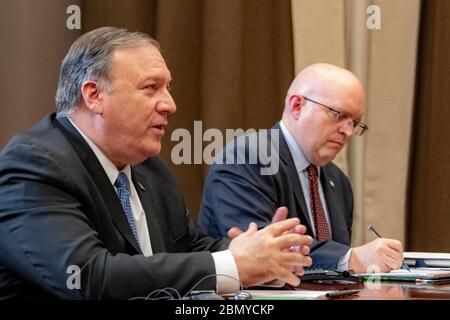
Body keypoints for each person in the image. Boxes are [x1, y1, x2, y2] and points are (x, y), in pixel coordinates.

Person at [0, 27, 313, 300]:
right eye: (151, 88)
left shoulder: (149, 167)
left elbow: (189, 249)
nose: (170, 105)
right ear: (94, 95)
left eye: (168, 88)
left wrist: (262, 257)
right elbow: (87, 277)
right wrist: (234, 264)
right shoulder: (34, 164)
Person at [198, 63, 404, 273]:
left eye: (355, 123)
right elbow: (258, 252)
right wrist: (350, 258)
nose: (348, 131)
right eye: (338, 115)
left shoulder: (338, 181)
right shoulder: (246, 158)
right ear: (297, 105)